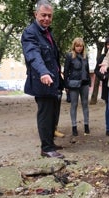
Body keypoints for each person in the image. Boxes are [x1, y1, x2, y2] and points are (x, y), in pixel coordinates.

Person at [21, 0, 64, 159]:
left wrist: (58, 72)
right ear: (35, 14)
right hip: (42, 80)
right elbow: (33, 54)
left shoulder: (47, 32)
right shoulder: (30, 32)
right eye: (43, 15)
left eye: (49, 16)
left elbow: (52, 57)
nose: (46, 18)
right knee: (45, 115)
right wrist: (43, 72)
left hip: (53, 81)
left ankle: (50, 143)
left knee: (53, 114)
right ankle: (46, 148)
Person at [63, 37, 91, 136]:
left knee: (85, 104)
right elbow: (66, 70)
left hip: (84, 83)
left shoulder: (85, 56)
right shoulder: (70, 56)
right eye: (77, 46)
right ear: (74, 46)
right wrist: (66, 85)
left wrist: (89, 81)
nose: (79, 48)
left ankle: (86, 125)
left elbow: (87, 69)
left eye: (81, 46)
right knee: (74, 105)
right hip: (73, 84)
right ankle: (74, 127)